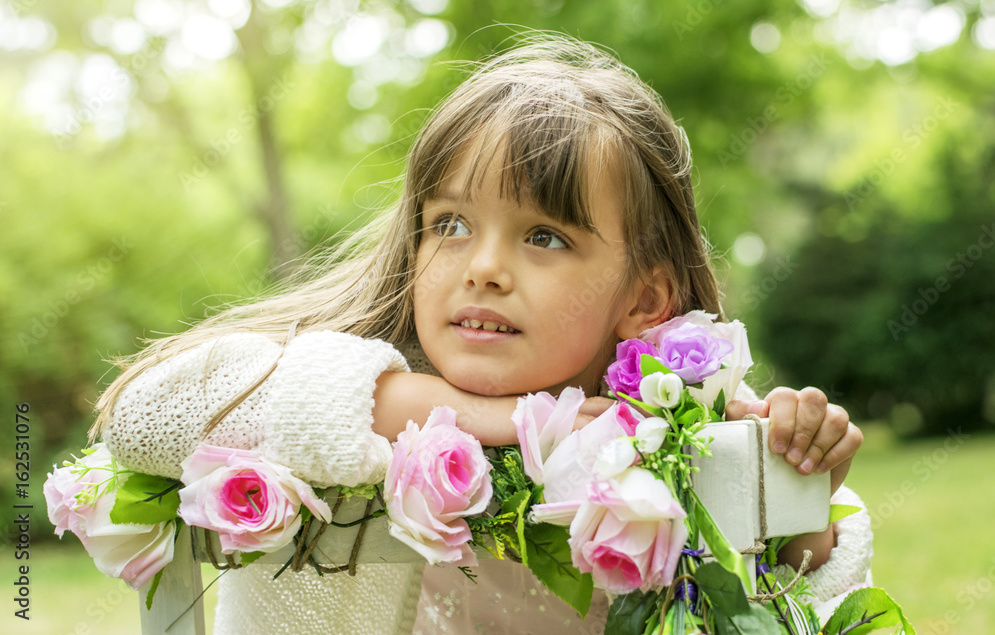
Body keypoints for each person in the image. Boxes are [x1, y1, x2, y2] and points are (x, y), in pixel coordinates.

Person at [92, 34, 871, 634]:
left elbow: (798, 610)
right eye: (452, 225)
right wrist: (483, 417)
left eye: (544, 237)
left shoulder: (675, 441)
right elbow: (139, 416)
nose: (486, 267)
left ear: (645, 298)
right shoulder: (338, 382)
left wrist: (797, 507)